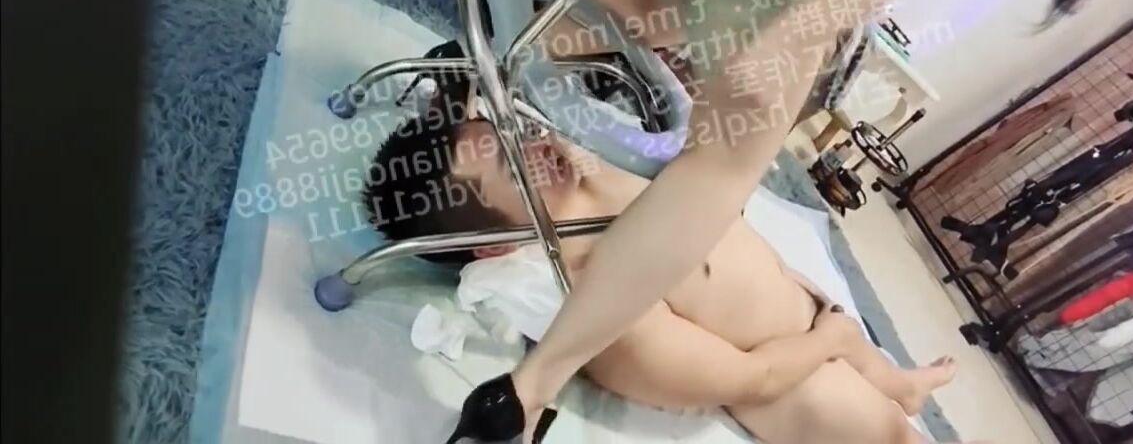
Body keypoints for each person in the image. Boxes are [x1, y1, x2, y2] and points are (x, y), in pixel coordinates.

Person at [453, 0, 1133, 439]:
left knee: (681, 8)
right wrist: (818, 18)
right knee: (725, 161)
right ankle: (526, 393)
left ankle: (479, 74)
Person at [364, 90, 961, 444]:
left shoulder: (591, 164)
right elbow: (749, 379)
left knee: (868, 364)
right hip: (792, 378)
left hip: (802, 309)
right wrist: (828, 339)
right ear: (493, 247)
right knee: (888, 434)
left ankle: (899, 385)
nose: (536, 145)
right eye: (516, 169)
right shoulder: (602, 296)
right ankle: (889, 395)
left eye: (512, 134)